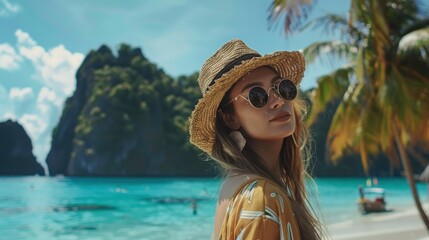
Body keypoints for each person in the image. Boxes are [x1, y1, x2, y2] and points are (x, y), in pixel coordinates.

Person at [188, 39, 324, 240]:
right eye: (257, 95)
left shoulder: (234, 185)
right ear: (230, 118)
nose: (278, 101)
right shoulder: (262, 198)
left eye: (282, 87)